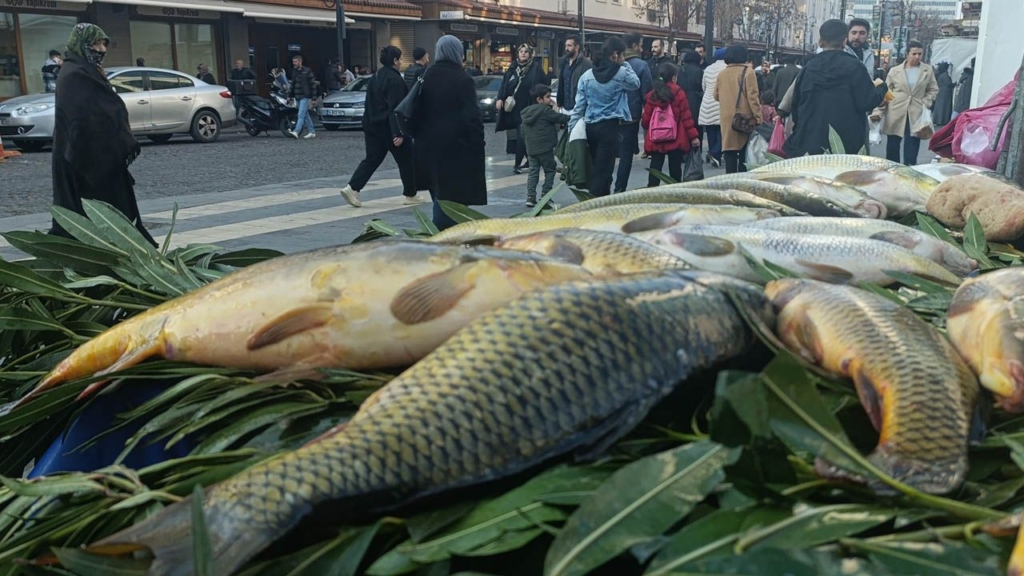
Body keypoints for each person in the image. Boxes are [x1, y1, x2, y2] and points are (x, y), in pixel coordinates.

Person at [50, 23, 156, 246]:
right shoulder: (74, 74)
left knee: (112, 208)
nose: (101, 49)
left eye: (104, 44)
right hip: (84, 157)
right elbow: (82, 117)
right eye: (96, 43)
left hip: (100, 155)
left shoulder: (85, 71)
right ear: (82, 45)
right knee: (91, 211)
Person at [785, 19, 887, 157]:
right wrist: (881, 89)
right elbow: (866, 102)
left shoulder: (808, 69)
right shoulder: (856, 67)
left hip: (811, 140)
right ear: (844, 41)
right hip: (846, 142)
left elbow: (796, 105)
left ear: (820, 41)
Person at [416, 35, 486, 231]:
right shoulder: (462, 79)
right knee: (452, 197)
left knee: (437, 190)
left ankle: (440, 232)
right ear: (458, 52)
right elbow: (472, 117)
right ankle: (444, 236)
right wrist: (478, 142)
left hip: (427, 145)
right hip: (456, 147)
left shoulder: (426, 75)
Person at [338, 46, 420, 207]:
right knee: (406, 159)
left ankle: (352, 188)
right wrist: (399, 132)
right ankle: (410, 194)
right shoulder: (395, 80)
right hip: (388, 128)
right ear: (395, 61)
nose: (402, 61)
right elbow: (396, 108)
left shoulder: (376, 76)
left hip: (372, 125)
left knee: (372, 159)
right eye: (400, 58)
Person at [569, 36, 641, 197]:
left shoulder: (587, 76)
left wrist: (571, 129)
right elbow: (636, 83)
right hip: (611, 127)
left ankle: (602, 198)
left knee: (598, 165)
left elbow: (579, 107)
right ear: (615, 55)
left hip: (591, 126)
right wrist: (624, 64)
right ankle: (595, 201)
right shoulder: (622, 73)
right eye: (622, 55)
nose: (624, 58)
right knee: (604, 168)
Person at [871, 41, 938, 165]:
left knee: (912, 144)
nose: (917, 57)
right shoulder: (895, 71)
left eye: (920, 54)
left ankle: (910, 169)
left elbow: (933, 89)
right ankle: (892, 169)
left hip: (916, 111)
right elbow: (886, 90)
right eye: (914, 54)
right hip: (896, 109)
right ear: (907, 54)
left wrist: (926, 102)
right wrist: (878, 111)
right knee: (893, 144)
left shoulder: (927, 70)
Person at [641, 63, 700, 186]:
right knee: (675, 167)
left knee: (655, 167)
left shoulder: (653, 94)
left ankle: (652, 191)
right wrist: (693, 136)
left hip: (656, 137)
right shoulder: (678, 92)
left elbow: (646, 120)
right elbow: (686, 117)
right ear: (674, 77)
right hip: (676, 136)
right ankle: (674, 189)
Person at [496, 44, 549, 174]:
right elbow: (504, 84)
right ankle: (529, 161)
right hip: (514, 107)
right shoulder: (513, 68)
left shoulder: (536, 68)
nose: (523, 53)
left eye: (526, 52)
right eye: (521, 51)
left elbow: (544, 84)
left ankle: (517, 164)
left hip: (529, 106)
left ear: (530, 54)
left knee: (522, 134)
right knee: (523, 135)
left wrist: (541, 100)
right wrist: (500, 98)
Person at [714, 44, 762, 173]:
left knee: (729, 150)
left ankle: (729, 179)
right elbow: (753, 97)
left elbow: (716, 95)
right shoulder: (748, 71)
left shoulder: (722, 73)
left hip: (726, 117)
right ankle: (741, 181)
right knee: (744, 152)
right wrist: (758, 116)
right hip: (744, 118)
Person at [615, 32, 653, 193]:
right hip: (631, 115)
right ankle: (619, 188)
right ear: (635, 46)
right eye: (641, 44)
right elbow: (647, 92)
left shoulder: (612, 62)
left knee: (608, 152)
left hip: (610, 115)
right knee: (626, 154)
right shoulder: (640, 65)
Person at [521, 84, 569, 207]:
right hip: (545, 148)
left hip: (531, 149)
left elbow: (522, 132)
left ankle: (530, 197)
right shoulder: (546, 111)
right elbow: (561, 118)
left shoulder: (526, 113)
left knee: (533, 172)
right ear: (539, 99)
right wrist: (555, 106)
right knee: (550, 170)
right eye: (548, 97)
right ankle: (545, 195)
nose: (550, 99)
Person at [699, 47, 727, 167]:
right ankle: (715, 153)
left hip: (707, 103)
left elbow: (703, 86)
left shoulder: (708, 69)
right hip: (721, 103)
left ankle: (714, 156)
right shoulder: (727, 68)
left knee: (711, 130)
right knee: (722, 132)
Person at [557, 35, 592, 113]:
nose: (566, 49)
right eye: (566, 46)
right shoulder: (564, 63)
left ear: (577, 47)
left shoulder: (587, 64)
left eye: (569, 46)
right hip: (564, 107)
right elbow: (561, 83)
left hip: (579, 108)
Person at [287, 54, 317, 139]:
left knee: (301, 114)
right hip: (298, 96)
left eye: (295, 62)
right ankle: (312, 131)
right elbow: (292, 84)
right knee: (305, 114)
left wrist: (313, 98)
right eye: (293, 62)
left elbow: (313, 85)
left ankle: (296, 131)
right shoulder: (294, 71)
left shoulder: (307, 71)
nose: (294, 63)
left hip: (305, 96)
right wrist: (289, 95)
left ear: (300, 61)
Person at [678, 50, 704, 144]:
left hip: (681, 99)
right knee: (696, 127)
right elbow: (702, 87)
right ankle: (696, 153)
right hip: (695, 101)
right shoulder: (699, 71)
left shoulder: (679, 69)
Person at [932, 61, 954, 126]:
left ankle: (939, 120)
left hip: (942, 92)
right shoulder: (945, 75)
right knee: (943, 107)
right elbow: (949, 83)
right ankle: (941, 120)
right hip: (945, 93)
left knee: (940, 107)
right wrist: (955, 84)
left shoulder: (941, 74)